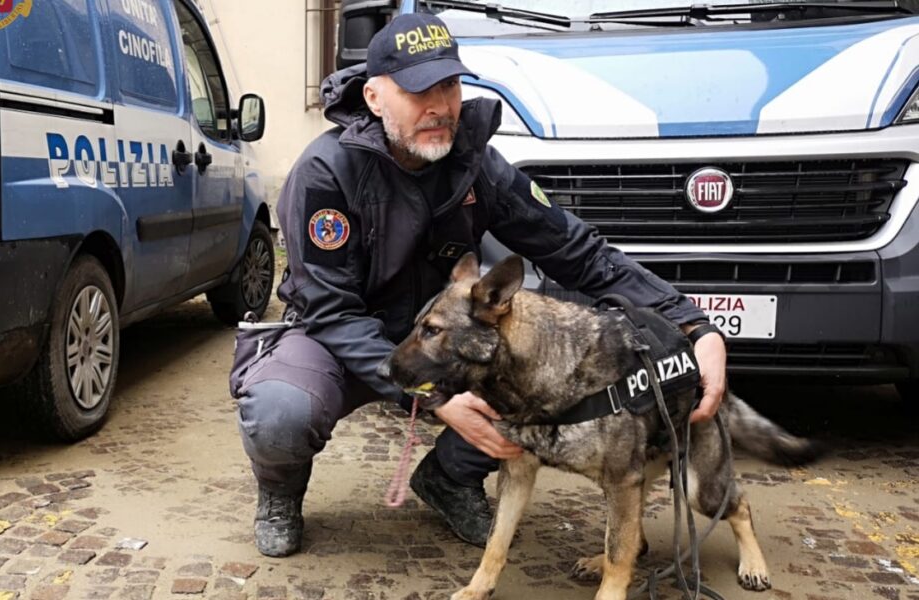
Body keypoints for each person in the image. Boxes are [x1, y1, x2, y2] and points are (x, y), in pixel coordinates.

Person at [230, 12, 727, 558]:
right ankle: (279, 491)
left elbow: (581, 254)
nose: (441, 105)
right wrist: (435, 400)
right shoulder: (325, 173)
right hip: (339, 336)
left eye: (449, 84)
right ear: (374, 97)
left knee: (540, 360)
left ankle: (449, 477)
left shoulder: (478, 166)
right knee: (281, 410)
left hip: (446, 340)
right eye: (420, 90)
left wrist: (691, 322)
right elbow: (330, 309)